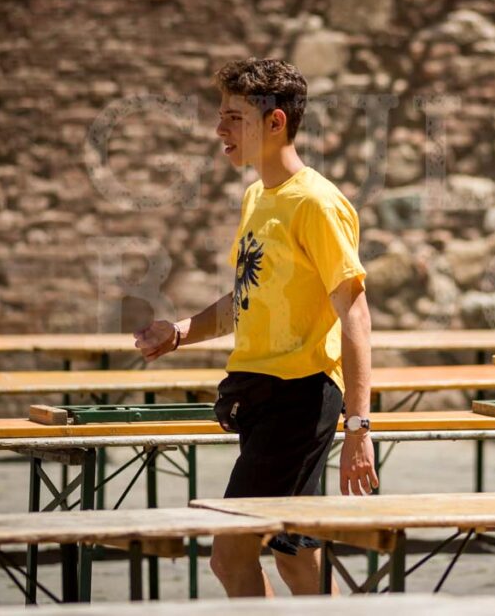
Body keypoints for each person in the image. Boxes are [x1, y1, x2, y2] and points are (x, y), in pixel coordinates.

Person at [134, 58, 378, 597]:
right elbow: (246, 297)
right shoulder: (257, 197)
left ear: (275, 122)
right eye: (221, 115)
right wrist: (180, 332)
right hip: (261, 393)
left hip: (300, 396)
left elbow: (355, 314)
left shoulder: (316, 202)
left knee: (230, 556)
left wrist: (359, 429)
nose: (219, 129)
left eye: (234, 117)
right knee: (297, 555)